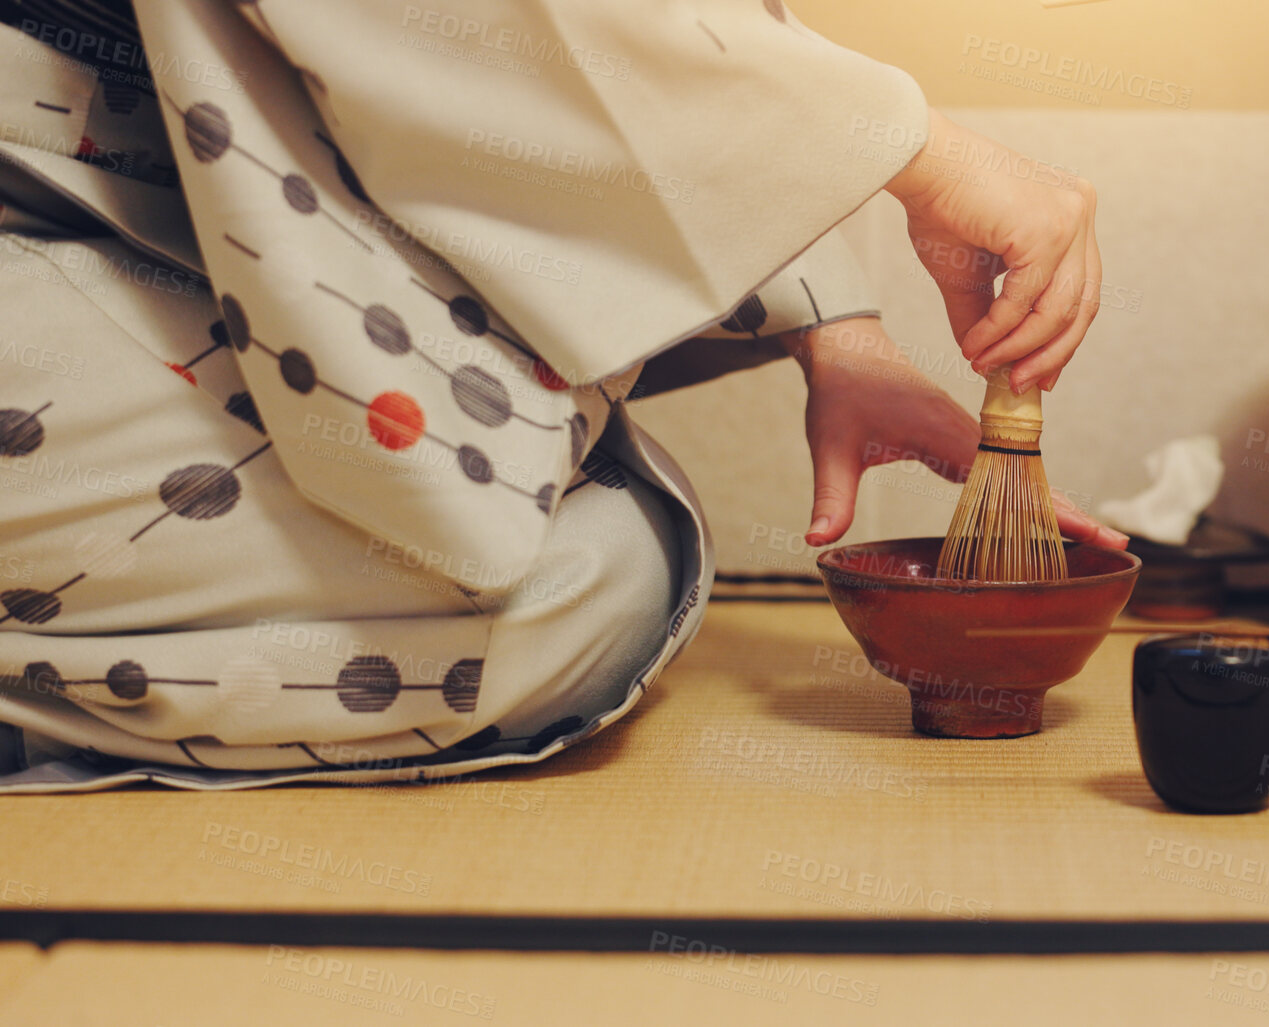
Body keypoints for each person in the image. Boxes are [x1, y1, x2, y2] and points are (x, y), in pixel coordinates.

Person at [0, 0, 1125, 791]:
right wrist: (920, 150)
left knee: (596, 533)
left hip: (126, 181)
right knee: (581, 577)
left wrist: (837, 323)